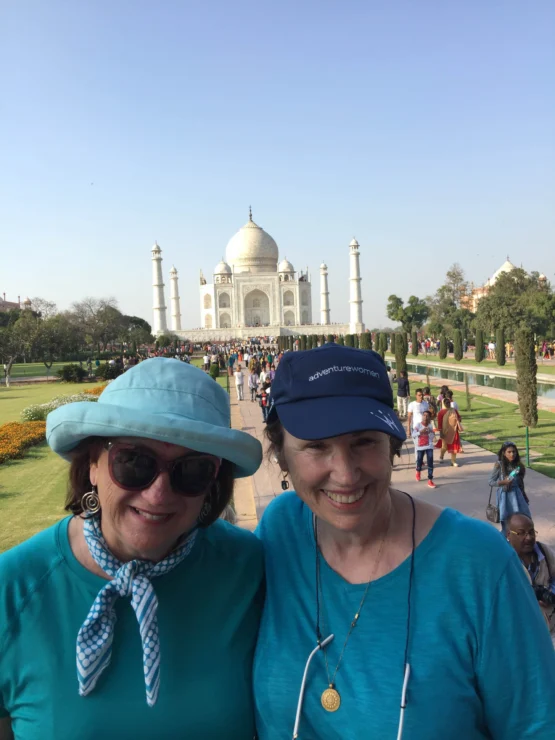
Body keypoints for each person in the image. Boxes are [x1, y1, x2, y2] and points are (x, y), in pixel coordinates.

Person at [253, 344, 555, 739]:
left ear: (392, 443)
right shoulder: (281, 531)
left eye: (363, 442)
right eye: (316, 446)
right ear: (281, 456)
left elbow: (535, 724)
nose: (345, 474)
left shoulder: (477, 563)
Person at [0, 359, 263, 739]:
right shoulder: (14, 590)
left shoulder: (246, 567)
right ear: (93, 463)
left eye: (191, 470)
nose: (158, 493)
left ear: (213, 482)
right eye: (134, 462)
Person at [506, 514, 555, 646]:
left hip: (550, 629)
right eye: (521, 533)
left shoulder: (544, 552)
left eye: (531, 532)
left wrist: (549, 593)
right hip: (520, 637)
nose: (528, 537)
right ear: (509, 535)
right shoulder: (504, 562)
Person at [489, 441, 531, 536]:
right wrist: (503, 482)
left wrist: (524, 495)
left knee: (524, 517)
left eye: (514, 452)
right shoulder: (499, 465)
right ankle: (505, 541)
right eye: (509, 452)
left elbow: (520, 483)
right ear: (504, 453)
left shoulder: (518, 466)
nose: (512, 454)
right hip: (505, 496)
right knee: (507, 521)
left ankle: (521, 540)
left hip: (518, 495)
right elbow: (490, 481)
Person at [412, 410, 436, 488]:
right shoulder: (418, 425)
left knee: (430, 462)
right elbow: (413, 435)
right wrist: (420, 432)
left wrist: (431, 432)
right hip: (420, 446)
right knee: (419, 461)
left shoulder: (430, 425)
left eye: (427, 416)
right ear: (422, 416)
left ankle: (430, 480)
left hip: (429, 446)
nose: (425, 417)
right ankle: (418, 471)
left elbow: (432, 438)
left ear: (429, 418)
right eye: (424, 415)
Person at [435, 398, 463, 466]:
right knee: (444, 446)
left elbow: (459, 418)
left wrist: (458, 419)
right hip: (445, 432)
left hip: (454, 431)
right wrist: (441, 432)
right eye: (446, 403)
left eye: (449, 403)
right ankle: (441, 456)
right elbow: (439, 424)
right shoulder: (441, 413)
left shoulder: (454, 410)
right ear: (443, 404)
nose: (448, 404)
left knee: (454, 446)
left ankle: (453, 461)